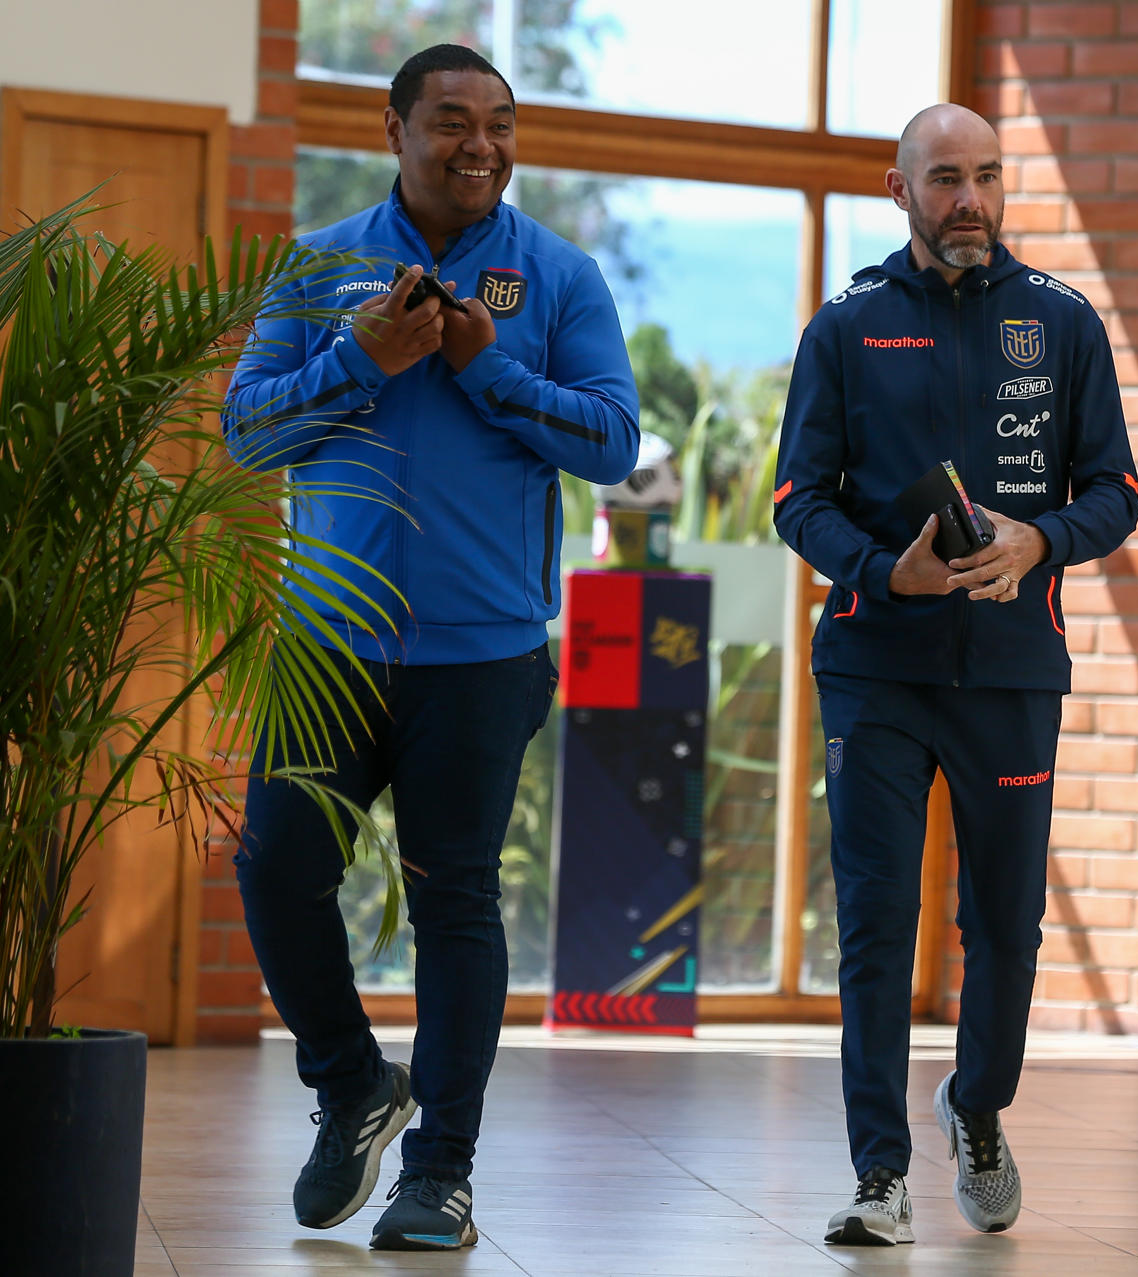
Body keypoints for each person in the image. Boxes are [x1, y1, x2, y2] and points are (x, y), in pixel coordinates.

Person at [221, 44, 641, 1252]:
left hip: (483, 651)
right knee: (275, 865)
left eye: (500, 125)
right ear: (395, 128)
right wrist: (365, 357)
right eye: (453, 121)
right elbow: (248, 436)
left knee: (456, 898)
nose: (482, 146)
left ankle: (440, 1173)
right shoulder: (321, 263)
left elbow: (612, 440)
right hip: (328, 642)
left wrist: (484, 368)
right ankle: (351, 1080)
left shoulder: (558, 277)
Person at [773, 103, 1138, 1246]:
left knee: (1008, 924)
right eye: (944, 179)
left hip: (1014, 674)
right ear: (901, 192)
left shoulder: (1065, 321)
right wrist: (892, 574)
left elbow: (1116, 490)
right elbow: (796, 499)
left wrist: (1041, 541)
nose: (968, 199)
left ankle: (976, 1107)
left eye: (985, 175)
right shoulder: (847, 325)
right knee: (878, 924)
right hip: (876, 667)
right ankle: (878, 1173)